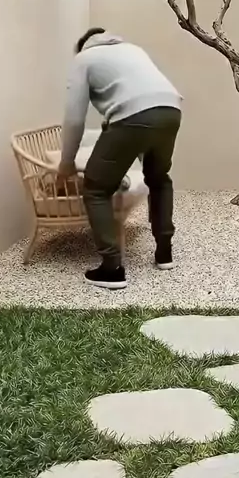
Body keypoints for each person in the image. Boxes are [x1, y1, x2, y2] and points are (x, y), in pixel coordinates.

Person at [58, 28, 182, 290]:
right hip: (171, 110)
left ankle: (111, 268)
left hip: (132, 115)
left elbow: (74, 119)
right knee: (159, 178)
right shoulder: (133, 50)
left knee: (96, 188)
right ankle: (164, 252)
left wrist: (66, 163)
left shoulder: (83, 59)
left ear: (83, 46)